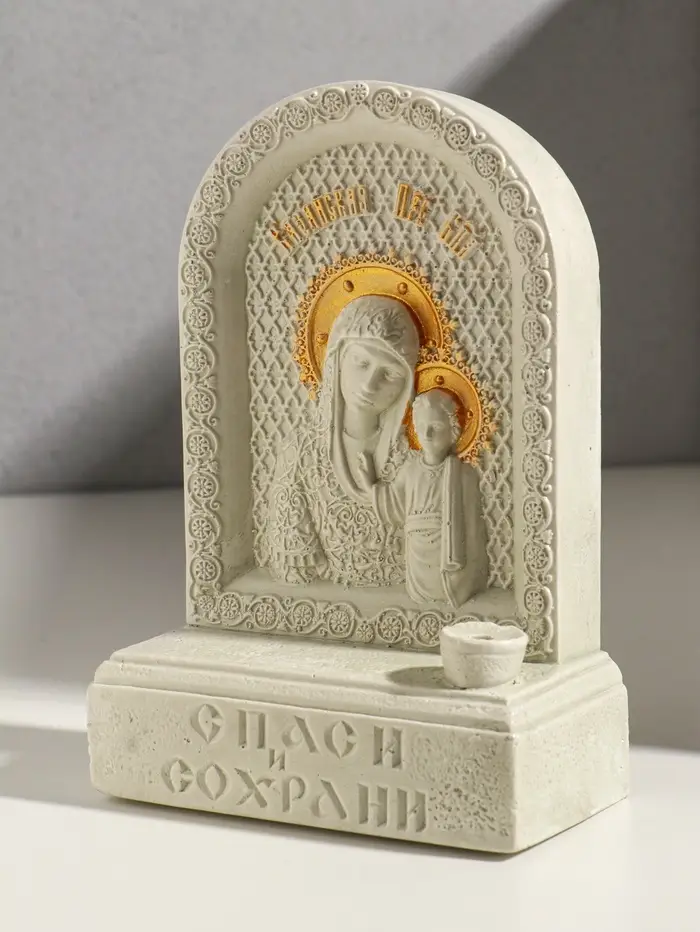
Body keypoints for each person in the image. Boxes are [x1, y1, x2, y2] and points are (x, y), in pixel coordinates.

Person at [266, 295, 419, 587]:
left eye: (389, 373)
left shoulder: (410, 460)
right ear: (336, 360)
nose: (369, 385)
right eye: (361, 362)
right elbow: (292, 568)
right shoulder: (300, 454)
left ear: (406, 386)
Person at [359, 388, 488, 607]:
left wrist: (473, 568)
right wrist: (369, 484)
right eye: (421, 426)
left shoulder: (463, 475)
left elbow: (473, 529)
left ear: (453, 430)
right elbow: (393, 502)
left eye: (435, 427)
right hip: (416, 556)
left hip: (447, 554)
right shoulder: (410, 468)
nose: (427, 435)